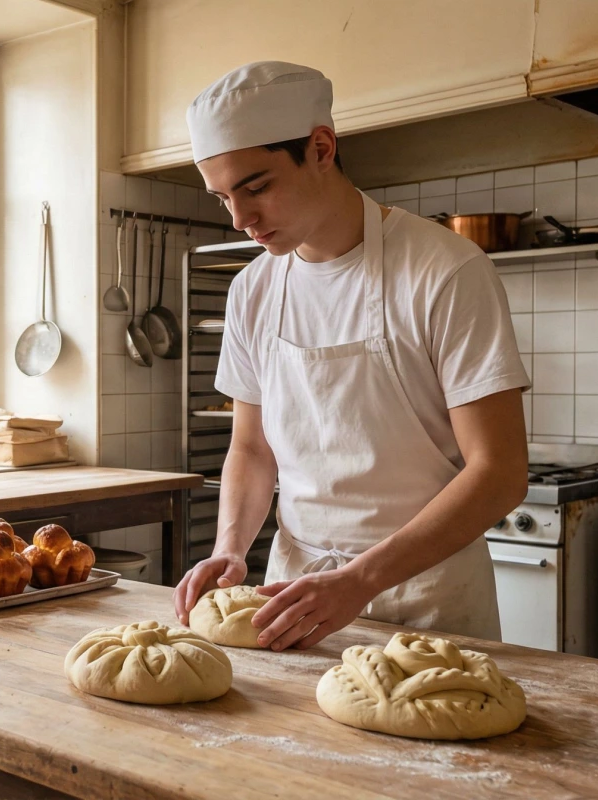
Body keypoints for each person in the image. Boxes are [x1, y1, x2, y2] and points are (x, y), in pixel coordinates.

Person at [171, 62, 531, 651]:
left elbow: (499, 472)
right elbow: (252, 447)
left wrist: (359, 580)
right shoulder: (252, 290)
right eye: (223, 199)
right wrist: (229, 548)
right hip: (292, 595)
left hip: (426, 598)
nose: (240, 220)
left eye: (256, 187)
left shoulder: (445, 270)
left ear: (320, 147)